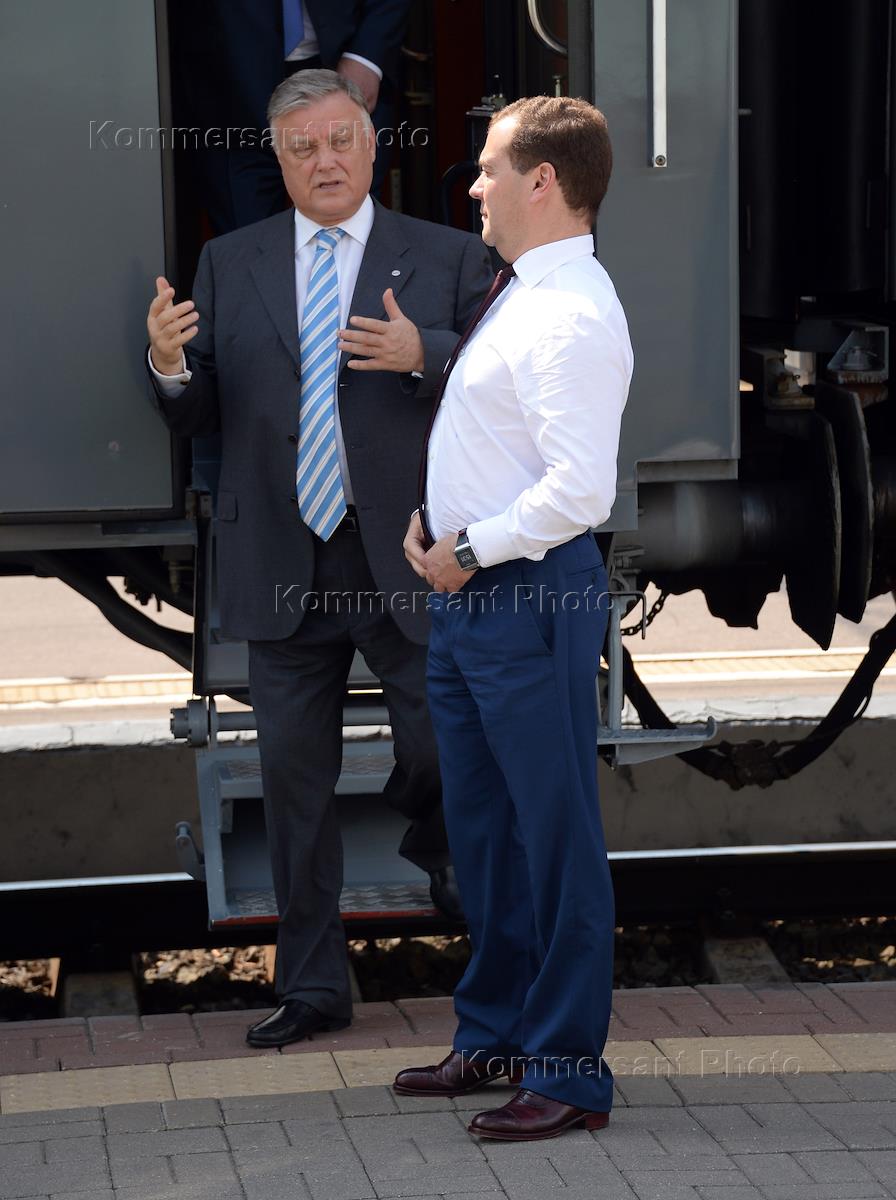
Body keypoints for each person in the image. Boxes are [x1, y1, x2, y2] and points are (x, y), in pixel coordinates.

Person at [146, 69, 493, 1047]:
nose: (324, 160)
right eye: (303, 147)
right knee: (294, 789)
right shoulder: (230, 260)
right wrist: (168, 363)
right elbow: (200, 410)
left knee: (443, 745)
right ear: (279, 157)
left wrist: (424, 352)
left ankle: (444, 850)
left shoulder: (447, 255)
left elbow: (502, 375)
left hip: (408, 557)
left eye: (341, 141)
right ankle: (310, 990)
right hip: (281, 556)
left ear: (372, 145)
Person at [395, 95, 633, 1140]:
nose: (475, 188)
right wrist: (439, 523)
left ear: (543, 181)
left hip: (524, 595)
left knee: (553, 836)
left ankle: (569, 1074)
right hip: (476, 597)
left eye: (489, 168)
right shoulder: (524, 290)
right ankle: (493, 1033)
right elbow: (500, 443)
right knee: (487, 833)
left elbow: (581, 490)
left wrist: (469, 546)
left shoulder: (570, 311)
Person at [169, 0, 410, 234]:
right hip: (231, 89)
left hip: (347, 64)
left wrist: (367, 58)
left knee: (350, 232)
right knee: (249, 242)